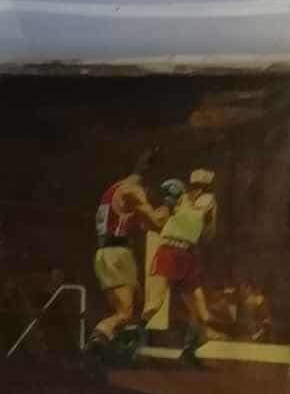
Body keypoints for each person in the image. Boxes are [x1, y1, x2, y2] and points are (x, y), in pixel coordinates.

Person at [87, 147, 166, 361]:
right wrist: (168, 209)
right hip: (117, 254)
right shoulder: (135, 191)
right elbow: (156, 224)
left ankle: (112, 347)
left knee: (135, 304)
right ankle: (98, 338)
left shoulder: (115, 188)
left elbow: (142, 224)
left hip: (106, 253)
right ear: (150, 174)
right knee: (125, 313)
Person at [145, 167, 221, 366]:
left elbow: (207, 232)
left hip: (185, 252)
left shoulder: (204, 202)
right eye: (194, 186)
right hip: (169, 250)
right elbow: (158, 219)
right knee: (156, 302)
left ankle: (191, 347)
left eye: (200, 187)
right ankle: (133, 337)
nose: (196, 190)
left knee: (195, 306)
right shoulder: (181, 199)